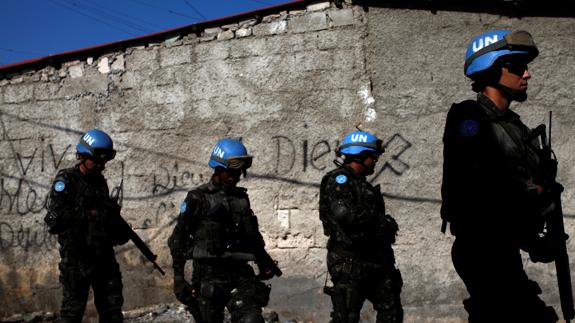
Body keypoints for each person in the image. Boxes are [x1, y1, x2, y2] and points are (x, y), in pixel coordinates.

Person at [441, 30, 559, 322]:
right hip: (482, 249)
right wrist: (537, 194)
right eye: (518, 67)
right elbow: (487, 190)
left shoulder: (513, 126)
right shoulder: (470, 118)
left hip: (502, 246)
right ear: (492, 69)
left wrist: (535, 238)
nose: (527, 74)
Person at [168, 138, 281, 323]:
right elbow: (177, 240)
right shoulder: (198, 198)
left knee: (252, 319)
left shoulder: (241, 199)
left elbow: (252, 236)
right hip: (209, 276)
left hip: (239, 273)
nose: (235, 177)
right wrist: (179, 279)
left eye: (239, 172)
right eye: (231, 172)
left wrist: (263, 260)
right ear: (218, 169)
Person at [45, 128, 129, 323]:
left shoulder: (100, 182)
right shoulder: (66, 181)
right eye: (97, 160)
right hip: (77, 260)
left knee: (112, 311)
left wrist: (114, 228)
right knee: (72, 313)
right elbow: (54, 220)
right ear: (82, 156)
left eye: (104, 161)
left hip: (103, 258)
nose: (101, 165)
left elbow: (104, 219)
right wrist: (89, 214)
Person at [319, 131, 403, 323]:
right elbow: (344, 214)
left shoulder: (360, 183)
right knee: (347, 317)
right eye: (373, 156)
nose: (375, 161)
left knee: (391, 313)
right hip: (350, 261)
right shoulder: (340, 179)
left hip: (375, 260)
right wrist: (380, 222)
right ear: (360, 156)